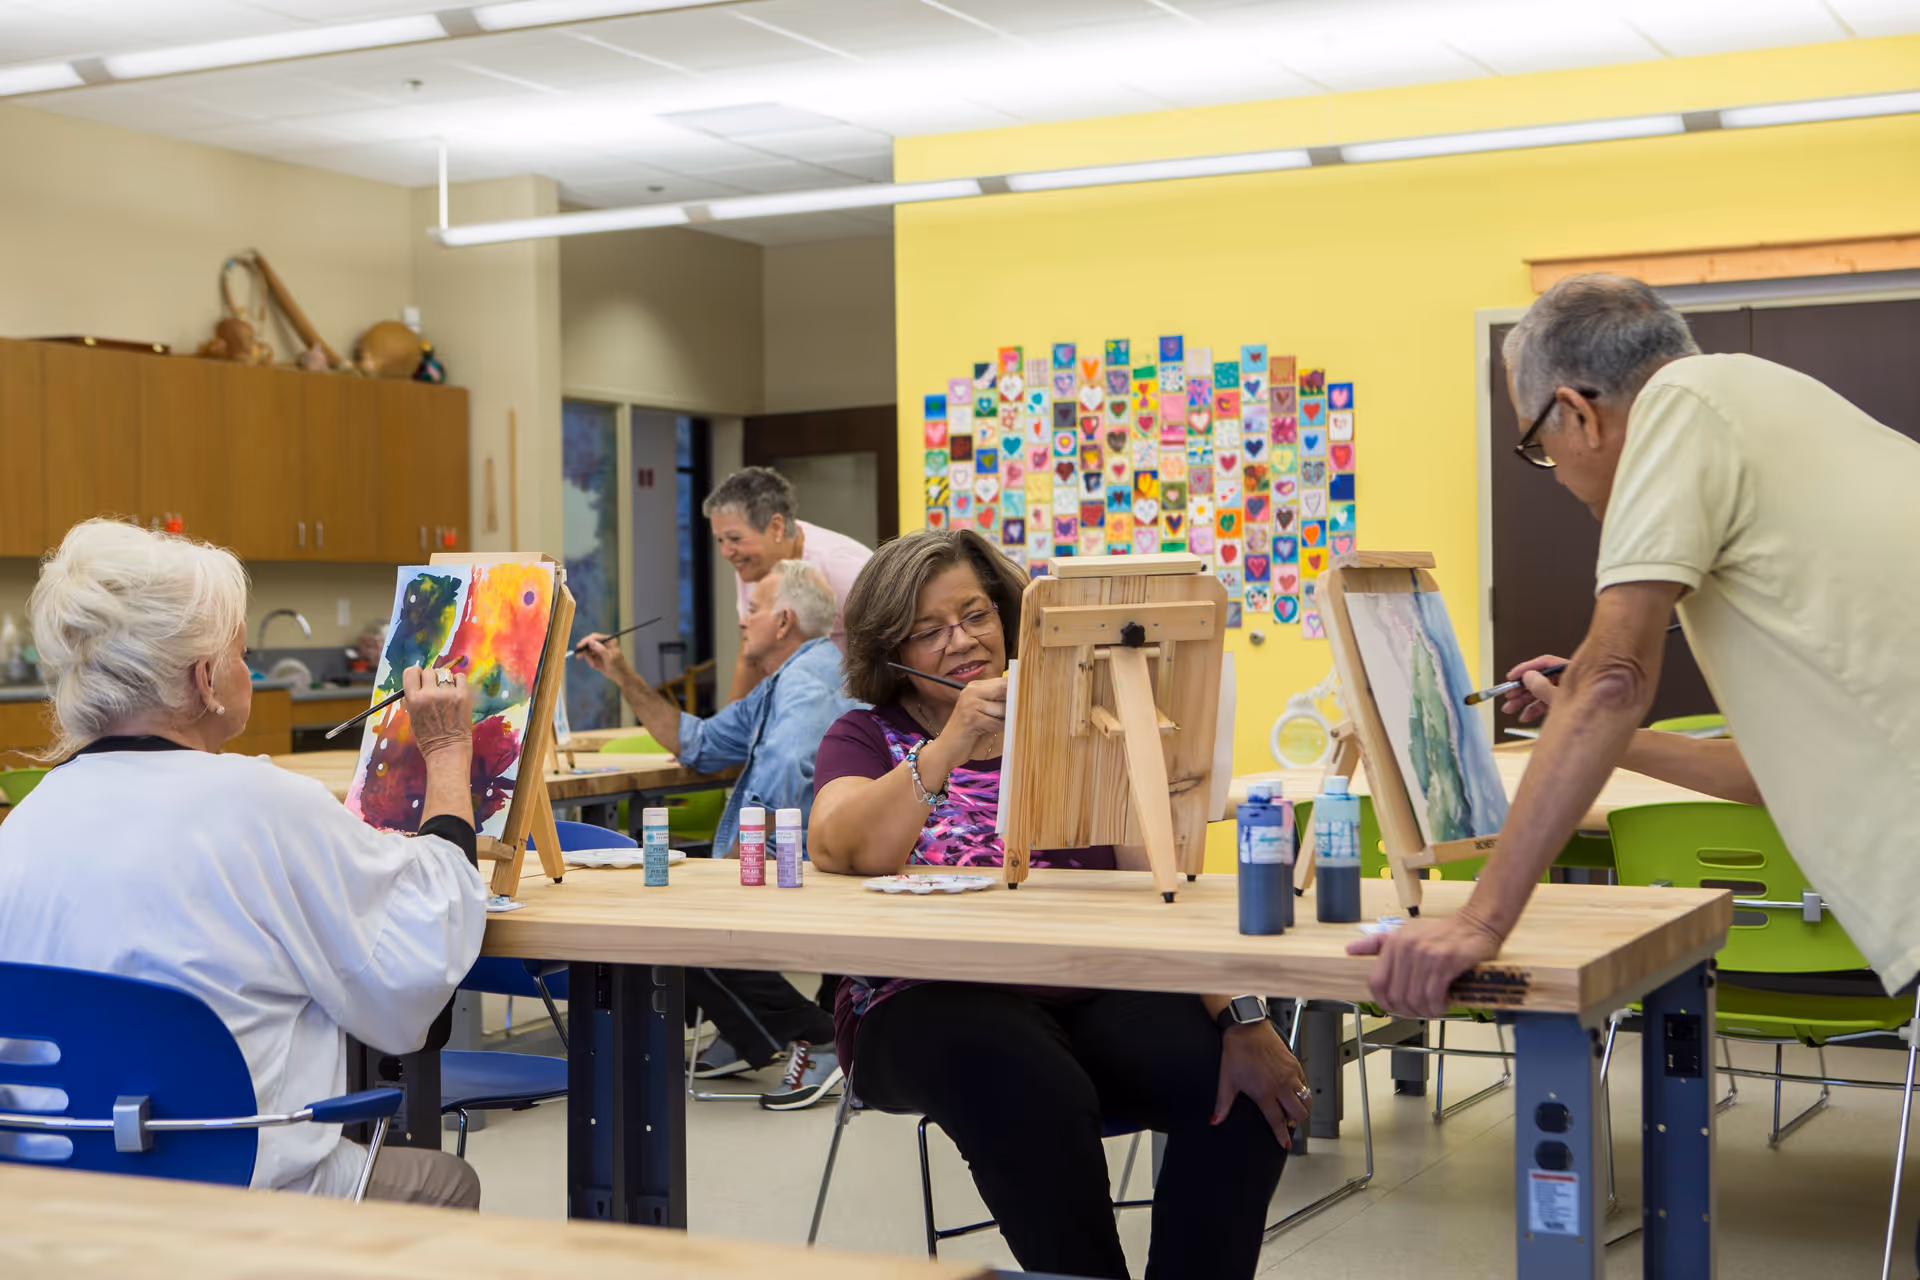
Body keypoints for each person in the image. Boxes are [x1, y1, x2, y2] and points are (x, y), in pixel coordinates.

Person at [1351, 273, 1920, 1017]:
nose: (1555, 476)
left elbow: (1612, 678)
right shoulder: (1778, 401)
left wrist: (1479, 921)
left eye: (1538, 445)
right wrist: (1595, 731)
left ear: (1576, 413)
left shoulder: (1674, 412)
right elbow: (1771, 772)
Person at [808, 528, 1302, 1280]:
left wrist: (1243, 1013)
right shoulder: (867, 737)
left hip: (1090, 985)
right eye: (929, 631)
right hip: (922, 1001)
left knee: (1245, 1092)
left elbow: (1156, 878)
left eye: (975, 615)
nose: (963, 642)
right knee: (1022, 1073)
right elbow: (841, 846)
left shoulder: (1084, 718)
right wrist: (946, 748)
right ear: (891, 652)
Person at [0, 520, 487, 1206]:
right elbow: (415, 970)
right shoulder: (263, 804)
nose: (245, 670)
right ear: (206, 680)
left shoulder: (25, 824)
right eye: (241, 654)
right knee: (447, 1183)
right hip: (236, 1197)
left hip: (58, 1201)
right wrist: (446, 754)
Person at [577, 559, 862, 1110]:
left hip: (801, 865)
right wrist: (622, 674)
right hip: (783, 856)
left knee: (674, 920)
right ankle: (750, 1029)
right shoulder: (784, 678)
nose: (742, 620)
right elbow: (701, 743)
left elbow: (785, 770)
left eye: (752, 609)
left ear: (783, 621)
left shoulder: (810, 680)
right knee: (668, 899)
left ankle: (818, 1034)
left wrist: (726, 870)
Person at [703, 466, 871, 701]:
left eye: (734, 539)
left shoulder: (842, 567)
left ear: (776, 527)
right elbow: (751, 654)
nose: (726, 552)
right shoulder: (751, 567)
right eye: (720, 540)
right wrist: (733, 728)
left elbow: (890, 646)